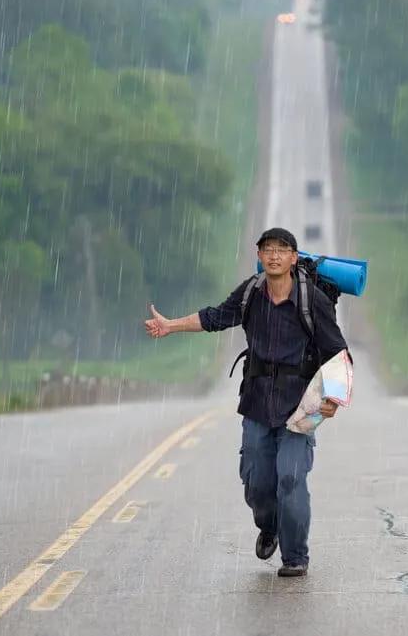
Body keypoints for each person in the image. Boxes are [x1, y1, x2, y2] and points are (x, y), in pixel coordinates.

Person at [143, 227, 348, 577]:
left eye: (282, 250)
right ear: (259, 255)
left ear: (294, 257)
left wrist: (333, 397)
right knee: (256, 482)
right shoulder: (252, 293)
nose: (274, 255)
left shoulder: (312, 300)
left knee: (291, 478)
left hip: (300, 405)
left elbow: (337, 352)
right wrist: (171, 326)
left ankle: (295, 556)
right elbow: (214, 317)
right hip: (256, 401)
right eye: (268, 249)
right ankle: (269, 526)